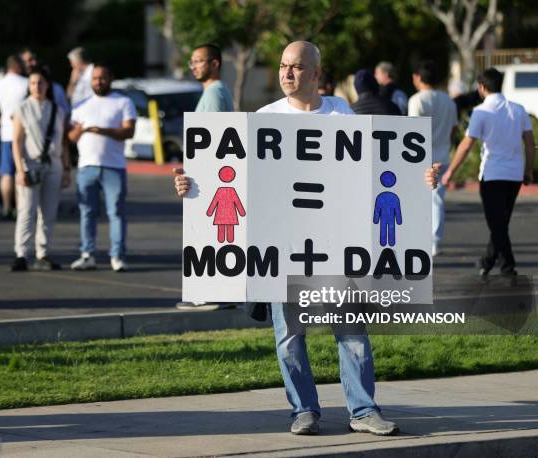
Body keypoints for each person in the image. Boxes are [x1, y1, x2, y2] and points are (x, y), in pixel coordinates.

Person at [174, 41, 440, 436]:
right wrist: (190, 186)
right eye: (283, 66)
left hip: (335, 249)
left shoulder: (341, 114)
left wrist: (421, 181)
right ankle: (304, 410)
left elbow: (377, 168)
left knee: (351, 333)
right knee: (288, 337)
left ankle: (363, 411)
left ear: (316, 74)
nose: (286, 74)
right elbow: (235, 179)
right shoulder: (264, 117)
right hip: (283, 251)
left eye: (296, 67)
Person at [442, 68, 535, 277]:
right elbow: (530, 143)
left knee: (497, 223)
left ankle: (508, 266)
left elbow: (466, 145)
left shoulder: (481, 111)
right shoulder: (519, 109)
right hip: (514, 175)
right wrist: (528, 170)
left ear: (482, 87)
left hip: (492, 174)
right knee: (501, 222)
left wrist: (449, 172)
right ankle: (488, 260)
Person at [176, 43, 234, 310]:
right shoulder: (216, 92)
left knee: (209, 237)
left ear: (215, 64)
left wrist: (196, 173)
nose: (194, 66)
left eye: (199, 61)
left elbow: (210, 143)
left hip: (208, 180)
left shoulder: (214, 94)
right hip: (211, 178)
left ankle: (210, 293)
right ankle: (215, 293)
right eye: (192, 62)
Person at [68, 63, 137, 272]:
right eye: (95, 78)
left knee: (115, 212)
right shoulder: (81, 105)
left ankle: (117, 255)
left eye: (102, 78)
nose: (98, 82)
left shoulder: (123, 102)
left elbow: (128, 132)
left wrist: (101, 130)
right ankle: (87, 254)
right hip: (87, 166)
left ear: (111, 78)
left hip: (113, 166)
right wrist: (79, 131)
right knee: (87, 212)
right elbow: (70, 138)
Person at [9, 67, 72, 272]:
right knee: (27, 210)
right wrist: (19, 169)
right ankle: (21, 253)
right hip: (31, 163)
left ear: (47, 85)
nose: (37, 87)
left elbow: (63, 143)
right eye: (33, 83)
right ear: (29, 86)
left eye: (41, 83)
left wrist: (66, 168)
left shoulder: (57, 109)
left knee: (49, 212)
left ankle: (42, 253)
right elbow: (17, 141)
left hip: (53, 164)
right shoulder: (23, 108)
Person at [408, 61, 458, 256]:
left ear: (419, 78)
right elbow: (454, 129)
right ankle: (434, 240)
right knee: (436, 199)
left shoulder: (416, 100)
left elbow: (413, 131)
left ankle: (423, 239)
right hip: (442, 154)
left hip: (420, 158)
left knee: (418, 200)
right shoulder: (449, 101)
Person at [0, 55, 28, 219]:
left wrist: (0, 115)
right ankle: (19, 207)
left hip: (6, 132)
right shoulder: (25, 83)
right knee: (21, 171)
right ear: (18, 66)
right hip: (24, 133)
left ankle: (5, 206)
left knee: (6, 173)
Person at [20, 48, 71, 115]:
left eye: (40, 82)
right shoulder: (21, 85)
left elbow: (66, 111)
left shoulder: (57, 89)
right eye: (33, 83)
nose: (37, 87)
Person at [190, 43, 234, 112]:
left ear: (214, 64)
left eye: (197, 61)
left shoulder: (213, 92)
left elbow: (213, 123)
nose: (193, 67)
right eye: (192, 63)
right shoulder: (218, 89)